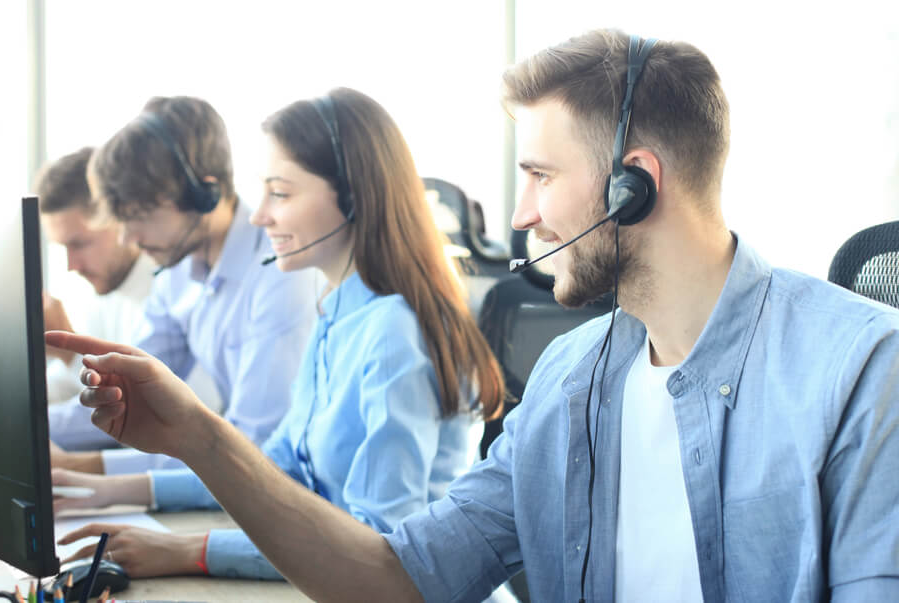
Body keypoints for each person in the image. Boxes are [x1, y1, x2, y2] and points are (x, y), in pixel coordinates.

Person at [48, 30, 899, 601]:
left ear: (633, 184)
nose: (521, 213)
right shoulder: (570, 382)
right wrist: (200, 433)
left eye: (539, 174)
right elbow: (398, 574)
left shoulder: (860, 370)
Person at [50, 88, 505, 582]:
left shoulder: (395, 330)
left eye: (280, 193)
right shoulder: (335, 312)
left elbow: (381, 549)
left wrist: (192, 550)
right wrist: (116, 488)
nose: (258, 214)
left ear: (354, 198)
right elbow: (267, 471)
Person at [50, 95, 316, 475]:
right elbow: (122, 393)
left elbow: (252, 452)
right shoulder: (177, 273)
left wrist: (85, 467)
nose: (127, 239)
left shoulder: (280, 276)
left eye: (138, 217)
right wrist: (31, 430)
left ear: (203, 194)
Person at [35, 147, 154, 404]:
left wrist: (68, 352)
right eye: (62, 247)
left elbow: (131, 407)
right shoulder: (102, 287)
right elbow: (72, 388)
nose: (71, 265)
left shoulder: (166, 294)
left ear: (119, 217)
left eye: (79, 244)